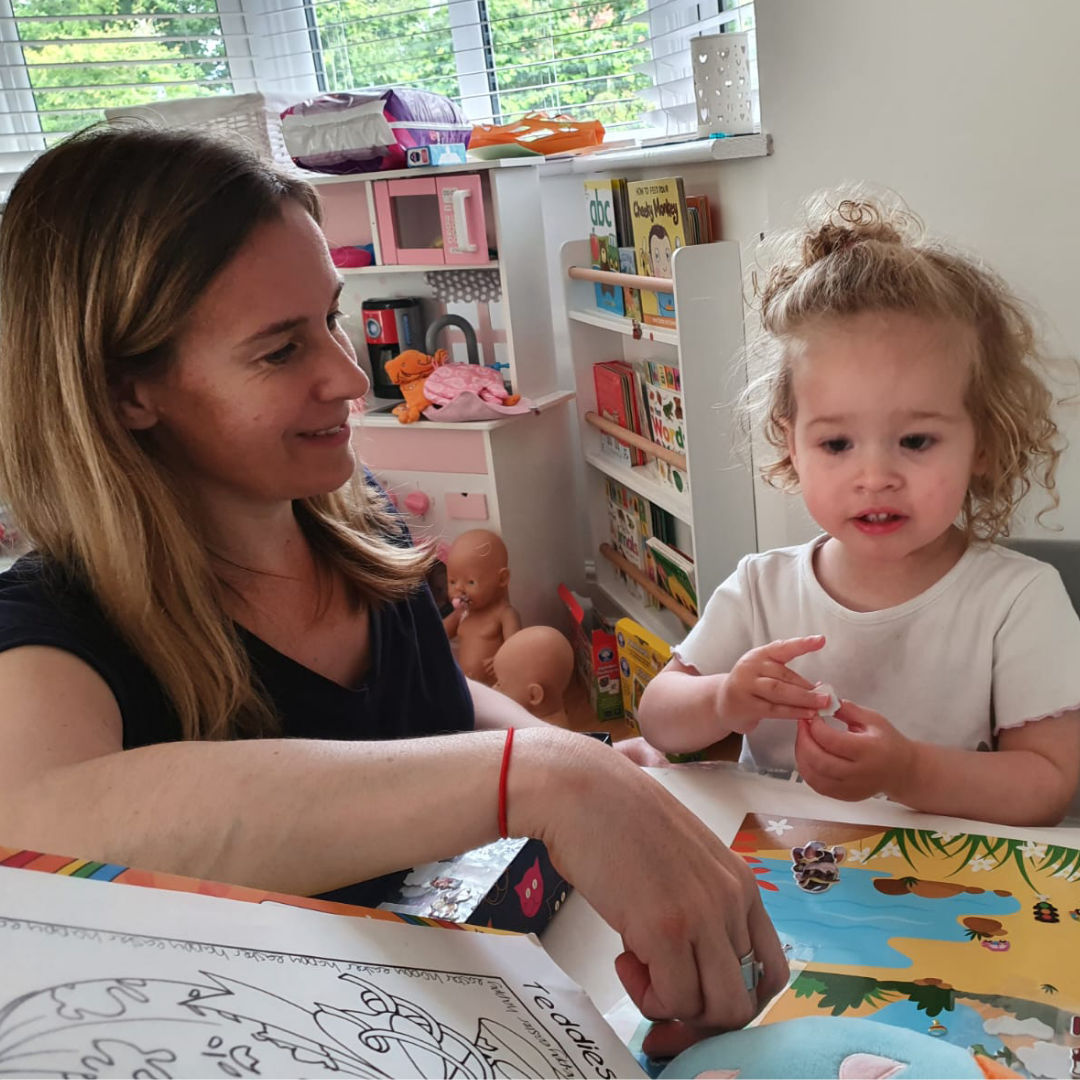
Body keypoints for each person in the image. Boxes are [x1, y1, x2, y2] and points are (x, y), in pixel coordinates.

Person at [0, 125, 786, 1054]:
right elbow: (35, 826)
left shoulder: (353, 520)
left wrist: (578, 762)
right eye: (279, 351)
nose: (345, 373)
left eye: (331, 318)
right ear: (128, 393)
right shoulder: (52, 626)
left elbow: (435, 708)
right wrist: (541, 776)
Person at [638, 193, 1080, 827]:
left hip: (947, 896)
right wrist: (725, 698)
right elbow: (659, 714)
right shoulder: (761, 588)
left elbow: (1048, 784)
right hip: (780, 891)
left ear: (983, 443)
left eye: (917, 441)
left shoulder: (1019, 600)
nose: (875, 478)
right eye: (837, 443)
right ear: (791, 444)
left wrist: (909, 771)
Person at [443, 528, 521, 683]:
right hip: (467, 685)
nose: (459, 589)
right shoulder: (462, 614)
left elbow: (517, 647)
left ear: (502, 579)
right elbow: (437, 633)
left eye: (471, 582)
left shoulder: (504, 614)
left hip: (498, 686)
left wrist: (502, 659)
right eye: (452, 581)